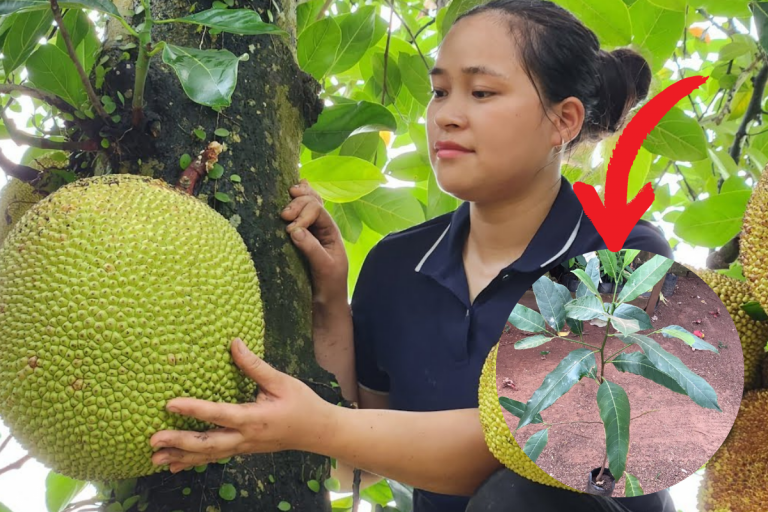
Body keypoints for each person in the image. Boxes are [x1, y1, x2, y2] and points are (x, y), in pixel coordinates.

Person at [148, 1, 677, 511]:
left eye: (483, 91)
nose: (446, 115)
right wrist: (331, 298)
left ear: (564, 120)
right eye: (440, 91)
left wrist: (320, 425)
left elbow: (553, 446)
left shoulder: (627, 255)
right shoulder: (396, 267)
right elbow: (354, 465)